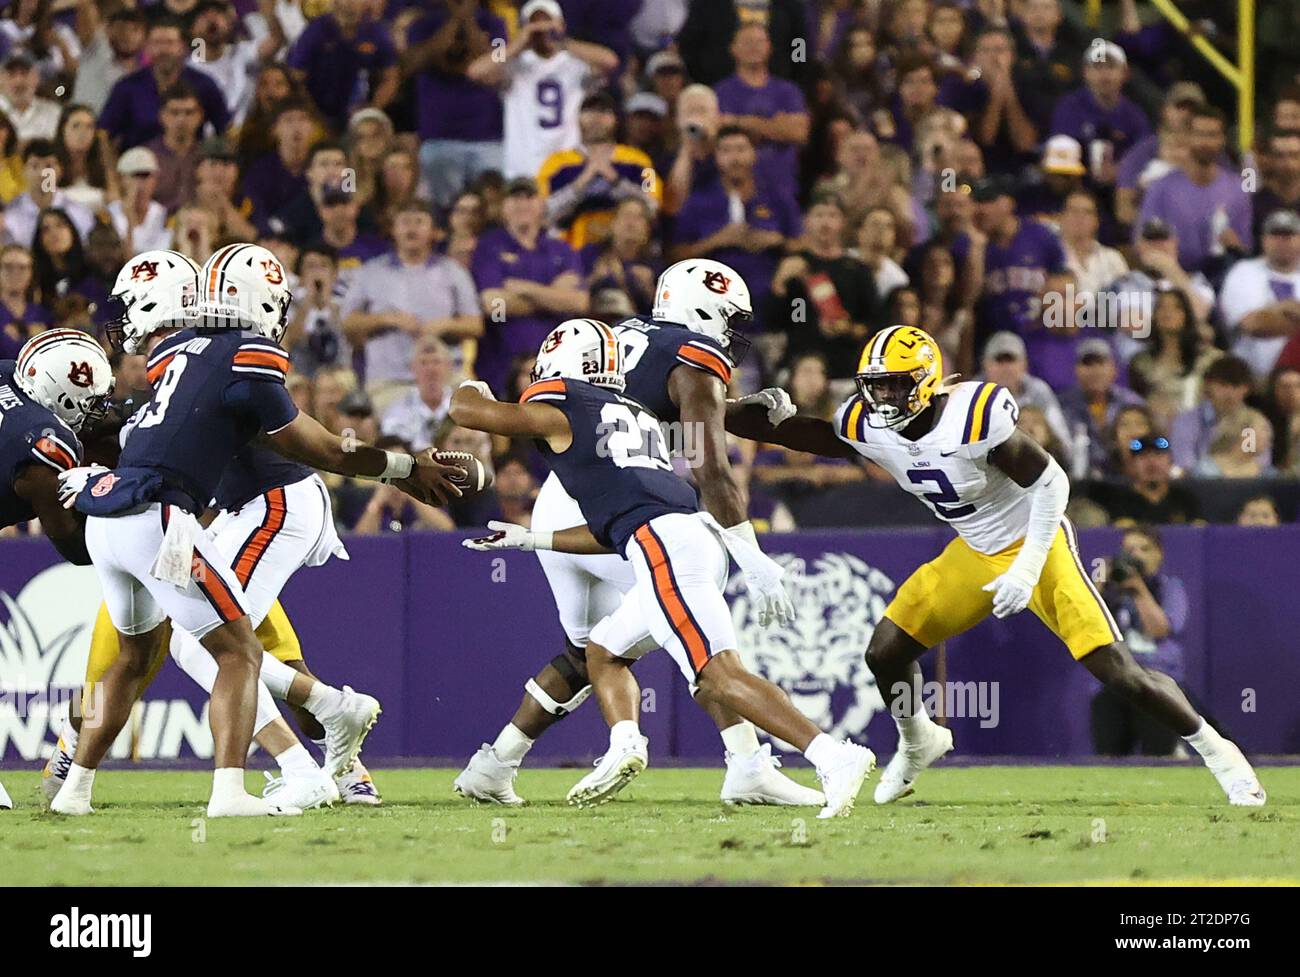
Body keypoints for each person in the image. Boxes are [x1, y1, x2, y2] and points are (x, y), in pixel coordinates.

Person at [726, 324, 1265, 807]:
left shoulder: (971, 417)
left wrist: (1029, 568)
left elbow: (1052, 482)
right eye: (877, 383)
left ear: (926, 380)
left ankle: (1219, 752)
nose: (883, 396)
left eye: (895, 383)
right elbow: (829, 438)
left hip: (1037, 540)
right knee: (885, 651)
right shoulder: (869, 421)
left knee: (1118, 671)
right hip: (975, 549)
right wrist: (754, 422)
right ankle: (918, 742)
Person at [49, 243, 465, 818]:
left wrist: (399, 467)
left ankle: (303, 762)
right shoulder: (198, 356)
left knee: (217, 647)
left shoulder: (204, 354)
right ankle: (330, 727)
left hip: (270, 501)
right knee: (225, 648)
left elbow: (308, 443)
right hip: (211, 511)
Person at [453, 317, 875, 818]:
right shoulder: (638, 414)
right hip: (679, 534)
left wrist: (470, 380)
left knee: (717, 674)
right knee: (603, 649)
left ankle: (833, 756)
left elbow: (468, 411)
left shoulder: (566, 407)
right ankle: (631, 743)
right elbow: (617, 524)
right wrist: (532, 539)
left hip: (663, 545)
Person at [465, 0, 617, 180]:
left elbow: (610, 61)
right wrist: (519, 43)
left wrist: (563, 41)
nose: (542, 28)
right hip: (523, 165)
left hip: (566, 162)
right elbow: (475, 72)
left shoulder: (575, 63)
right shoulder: (514, 64)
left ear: (561, 24)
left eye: (548, 21)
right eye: (535, 22)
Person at [1091, 526, 1189, 757]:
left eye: (1143, 549)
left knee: (1158, 755)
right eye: (1128, 550)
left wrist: (1138, 590)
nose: (1134, 556)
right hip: (1114, 680)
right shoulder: (1110, 590)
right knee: (1108, 757)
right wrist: (1099, 583)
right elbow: (1087, 624)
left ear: (1159, 553)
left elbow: (1159, 629)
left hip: (1157, 680)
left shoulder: (1169, 587)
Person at [536, 89, 660, 250]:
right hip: (572, 251)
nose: (596, 118)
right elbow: (543, 214)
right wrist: (581, 182)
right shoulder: (555, 163)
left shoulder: (639, 160)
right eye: (589, 111)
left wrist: (614, 179)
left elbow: (652, 205)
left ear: (615, 119)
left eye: (603, 112)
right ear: (578, 118)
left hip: (625, 251)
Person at [1219, 209, 1300, 380]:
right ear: (1263, 239)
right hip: (1250, 379)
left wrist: (1271, 313)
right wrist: (1286, 307)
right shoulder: (1244, 271)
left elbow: (1261, 321)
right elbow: (1252, 324)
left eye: (1288, 235)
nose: (1282, 241)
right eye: (1275, 235)